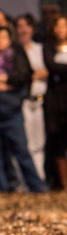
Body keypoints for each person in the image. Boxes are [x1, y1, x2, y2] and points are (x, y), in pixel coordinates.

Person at [0, 26, 46, 193]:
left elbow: (23, 76)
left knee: (21, 149)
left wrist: (2, 79)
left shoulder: (17, 56)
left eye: (4, 37)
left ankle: (36, 186)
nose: (0, 41)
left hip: (12, 110)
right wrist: (1, 84)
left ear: (10, 40)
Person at [15, 14, 47, 182]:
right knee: (23, 142)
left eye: (26, 26)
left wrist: (37, 73)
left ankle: (39, 178)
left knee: (39, 142)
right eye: (19, 26)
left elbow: (49, 69)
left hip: (40, 100)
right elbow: (21, 76)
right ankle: (24, 180)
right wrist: (33, 74)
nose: (22, 30)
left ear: (32, 28)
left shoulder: (40, 49)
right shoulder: (14, 51)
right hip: (22, 101)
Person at [43, 14, 67, 190]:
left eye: (64, 25)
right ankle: (63, 182)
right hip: (57, 100)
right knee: (59, 139)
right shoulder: (48, 46)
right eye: (57, 26)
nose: (60, 29)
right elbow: (51, 66)